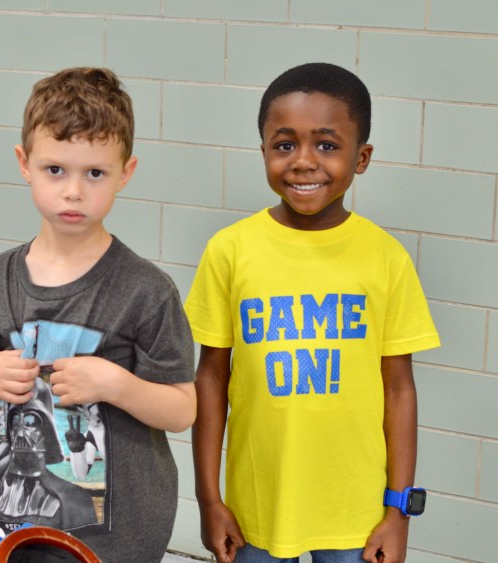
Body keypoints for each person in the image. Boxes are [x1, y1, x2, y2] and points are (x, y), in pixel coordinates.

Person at [184, 62, 441, 563]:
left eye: (326, 144)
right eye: (284, 145)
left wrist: (398, 512)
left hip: (357, 514)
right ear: (263, 151)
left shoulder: (385, 258)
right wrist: (209, 500)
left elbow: (399, 388)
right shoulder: (229, 250)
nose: (303, 162)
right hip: (256, 508)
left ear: (361, 157)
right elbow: (211, 378)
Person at [0, 67, 196, 562]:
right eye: (55, 170)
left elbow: (181, 410)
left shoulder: (146, 290)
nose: (73, 191)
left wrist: (115, 384)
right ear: (24, 163)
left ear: (125, 172)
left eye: (95, 173)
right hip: (17, 523)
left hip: (121, 535)